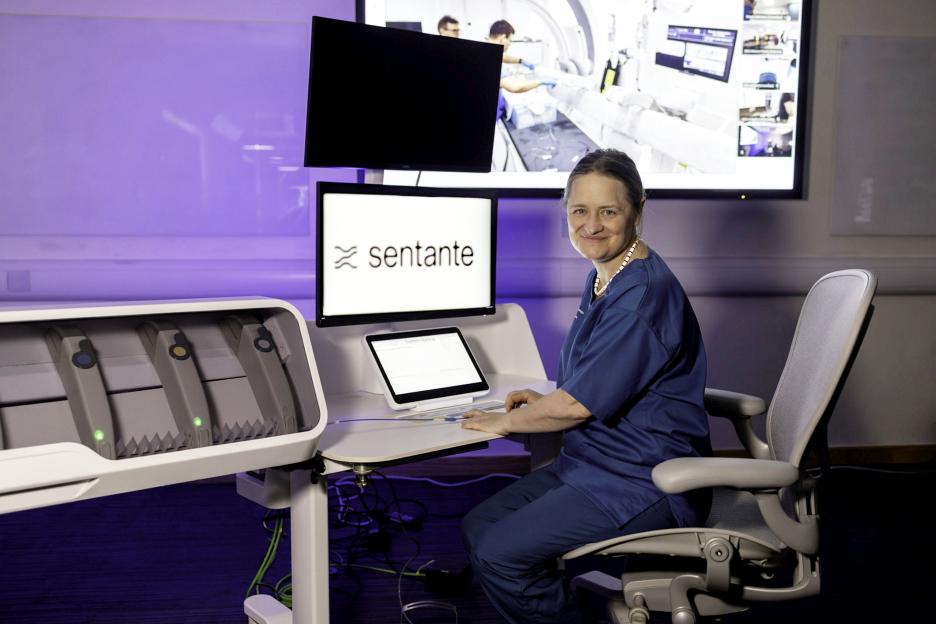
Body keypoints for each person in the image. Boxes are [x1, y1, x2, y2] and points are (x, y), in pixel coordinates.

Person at [460, 149, 712, 624]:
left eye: (609, 211)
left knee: (501, 553)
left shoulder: (641, 293)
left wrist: (507, 419)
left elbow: (577, 405)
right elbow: (595, 381)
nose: (591, 225)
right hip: (592, 464)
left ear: (638, 209)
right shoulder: (606, 276)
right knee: (480, 525)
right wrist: (544, 403)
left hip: (644, 480)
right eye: (579, 210)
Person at [487, 19, 555, 94]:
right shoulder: (492, 60)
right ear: (503, 38)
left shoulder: (485, 49)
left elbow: (503, 57)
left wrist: (521, 61)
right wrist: (541, 81)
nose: (510, 44)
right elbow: (515, 87)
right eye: (510, 40)